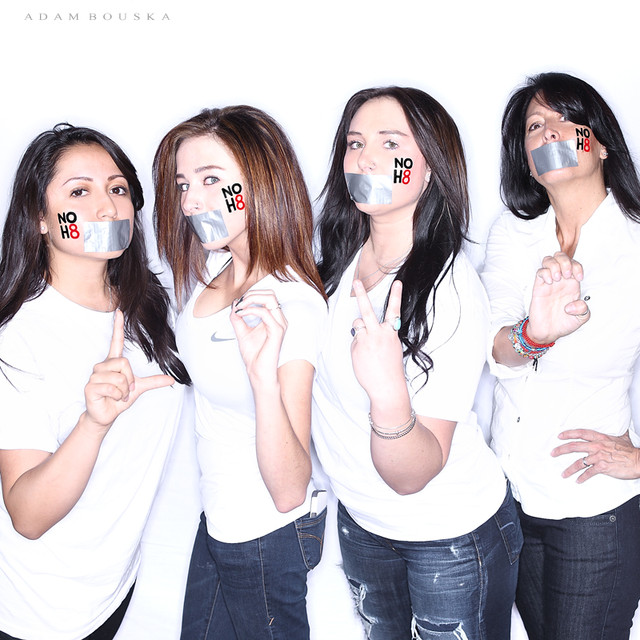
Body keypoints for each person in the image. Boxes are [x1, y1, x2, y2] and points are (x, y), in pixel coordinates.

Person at [312, 86, 522, 640]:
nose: (366, 159)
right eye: (355, 143)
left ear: (430, 170)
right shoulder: (335, 263)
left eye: (390, 144)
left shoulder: (450, 291)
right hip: (363, 523)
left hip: (449, 536)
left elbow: (413, 475)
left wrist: (387, 392)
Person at [0, 124, 190, 640]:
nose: (107, 208)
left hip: (112, 590)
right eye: (79, 192)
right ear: (40, 218)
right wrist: (93, 423)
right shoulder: (18, 338)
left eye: (118, 188)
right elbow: (28, 516)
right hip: (38, 611)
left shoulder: (153, 304)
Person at [153, 105, 327, 640]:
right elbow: (206, 369)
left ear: (261, 182)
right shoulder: (220, 264)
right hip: (219, 520)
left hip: (266, 534)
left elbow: (289, 489)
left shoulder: (291, 306)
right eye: (184, 184)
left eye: (211, 180)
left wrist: (262, 380)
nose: (190, 202)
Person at [482, 72, 640, 640]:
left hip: (594, 512)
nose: (548, 131)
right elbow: (495, 345)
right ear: (528, 163)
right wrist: (535, 335)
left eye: (566, 119)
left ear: (600, 143)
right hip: (512, 502)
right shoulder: (512, 234)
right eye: (534, 126)